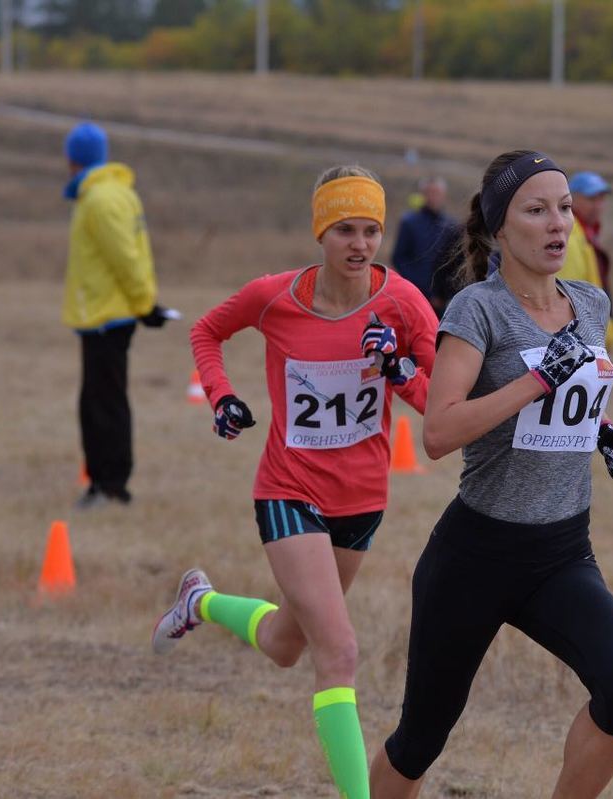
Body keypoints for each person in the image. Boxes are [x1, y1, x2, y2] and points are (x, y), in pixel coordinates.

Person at [151, 165, 438, 799]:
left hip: (362, 502)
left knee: (287, 643)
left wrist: (397, 369)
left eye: (370, 231)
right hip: (287, 490)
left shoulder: (405, 303)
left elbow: (441, 402)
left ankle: (198, 602)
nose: (360, 245)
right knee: (337, 652)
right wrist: (222, 396)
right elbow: (206, 331)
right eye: (344, 231)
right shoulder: (274, 297)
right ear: (320, 233)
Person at [370, 150, 613, 798]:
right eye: (536, 209)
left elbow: (563, 408)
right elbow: (438, 432)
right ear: (501, 228)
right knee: (419, 742)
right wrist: (534, 380)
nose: (557, 224)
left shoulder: (590, 301)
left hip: (561, 551)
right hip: (475, 556)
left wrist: (603, 435)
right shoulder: (477, 310)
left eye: (564, 209)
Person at [61, 121, 174, 509]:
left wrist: (144, 304)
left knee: (103, 404)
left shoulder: (100, 200)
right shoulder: (115, 194)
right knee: (98, 400)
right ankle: (104, 482)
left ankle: (110, 487)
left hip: (107, 316)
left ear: (73, 159)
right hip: (104, 315)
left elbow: (126, 258)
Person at [558, 171, 613, 349]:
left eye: (602, 199)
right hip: (583, 343)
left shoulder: (586, 235)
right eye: (592, 199)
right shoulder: (571, 237)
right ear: (572, 199)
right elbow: (572, 292)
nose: (598, 206)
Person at [391, 176, 458, 316]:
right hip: (413, 295)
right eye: (429, 192)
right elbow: (399, 258)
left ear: (443, 195)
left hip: (442, 301)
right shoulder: (409, 222)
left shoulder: (451, 226)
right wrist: (422, 289)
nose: (433, 197)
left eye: (437, 193)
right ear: (422, 195)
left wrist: (443, 294)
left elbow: (454, 263)